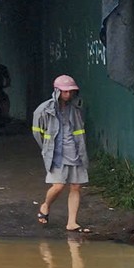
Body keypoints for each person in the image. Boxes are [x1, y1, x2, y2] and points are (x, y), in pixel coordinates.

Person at [33, 74, 90, 233]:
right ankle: (46, 205)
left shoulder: (75, 109)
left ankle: (72, 222)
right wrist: (46, 149)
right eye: (65, 92)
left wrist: (81, 151)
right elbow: (38, 133)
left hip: (75, 151)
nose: (68, 95)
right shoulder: (44, 110)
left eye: (71, 91)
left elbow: (80, 132)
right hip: (56, 154)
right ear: (57, 91)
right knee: (58, 186)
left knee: (76, 186)